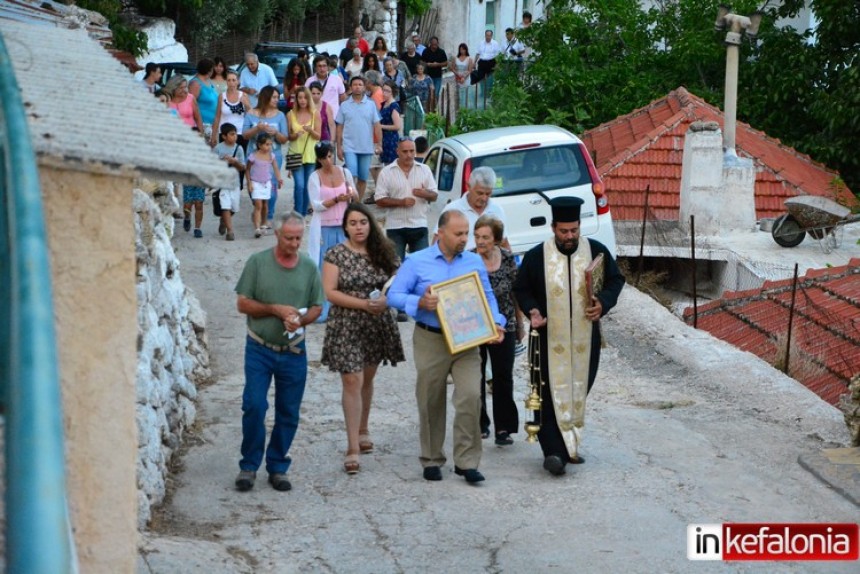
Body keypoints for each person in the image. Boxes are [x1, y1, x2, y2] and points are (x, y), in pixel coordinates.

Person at [388, 210, 506, 484]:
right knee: (431, 398)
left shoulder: (474, 261)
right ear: (440, 233)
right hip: (432, 338)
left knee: (469, 397)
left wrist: (496, 322)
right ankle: (431, 458)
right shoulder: (417, 261)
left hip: (468, 339)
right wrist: (418, 303)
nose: (465, 238)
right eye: (459, 234)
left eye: (467, 233)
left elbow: (487, 297)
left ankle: (466, 462)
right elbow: (394, 294)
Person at [513, 197, 625, 476]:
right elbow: (521, 288)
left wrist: (603, 303)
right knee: (547, 394)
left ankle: (569, 444)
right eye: (563, 231)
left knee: (577, 389)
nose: (569, 236)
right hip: (546, 339)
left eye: (574, 230)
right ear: (553, 228)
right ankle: (554, 452)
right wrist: (533, 311)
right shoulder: (536, 256)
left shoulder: (595, 252)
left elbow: (615, 280)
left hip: (585, 340)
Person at [234, 211, 324, 492]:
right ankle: (249, 465)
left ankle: (277, 466)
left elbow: (317, 307)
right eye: (289, 238)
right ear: (276, 234)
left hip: (293, 350)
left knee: (289, 411)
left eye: (298, 238)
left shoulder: (309, 267)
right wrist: (275, 310)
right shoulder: (258, 263)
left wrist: (301, 319)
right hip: (259, 347)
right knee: (254, 405)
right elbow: (243, 303)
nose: (295, 243)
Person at [321, 203, 404, 474]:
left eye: (363, 222)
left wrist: (385, 300)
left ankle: (364, 427)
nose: (359, 227)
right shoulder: (335, 255)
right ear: (345, 226)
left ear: (371, 224)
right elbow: (330, 293)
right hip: (347, 324)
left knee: (367, 378)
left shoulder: (385, 252)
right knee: (351, 379)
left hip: (376, 324)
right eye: (353, 223)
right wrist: (362, 305)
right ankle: (352, 446)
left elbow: (399, 281)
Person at [472, 215, 521, 444]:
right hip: (475, 325)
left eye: (485, 237)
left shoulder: (509, 259)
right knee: (476, 374)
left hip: (505, 323)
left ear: (497, 239)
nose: (480, 242)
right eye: (477, 236)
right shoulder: (468, 259)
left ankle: (504, 428)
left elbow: (515, 292)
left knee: (503, 375)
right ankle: (480, 423)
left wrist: (520, 324)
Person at [375, 137, 437, 264]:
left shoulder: (424, 169)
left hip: (419, 225)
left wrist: (424, 193)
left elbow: (434, 195)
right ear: (397, 151)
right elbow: (379, 199)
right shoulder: (386, 172)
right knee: (395, 267)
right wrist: (401, 202)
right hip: (395, 226)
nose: (409, 155)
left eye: (411, 151)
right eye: (405, 151)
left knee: (421, 266)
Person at [242, 85, 289, 230]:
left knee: (272, 187)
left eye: (277, 97)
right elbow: (244, 135)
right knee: (254, 187)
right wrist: (257, 128)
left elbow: (284, 138)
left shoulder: (280, 115)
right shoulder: (251, 113)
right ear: (266, 97)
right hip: (253, 156)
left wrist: (275, 132)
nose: (277, 100)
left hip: (273, 156)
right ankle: (258, 206)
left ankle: (268, 216)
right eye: (274, 97)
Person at [165, 75, 206, 236]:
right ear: (174, 88)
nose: (184, 90)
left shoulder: (190, 99)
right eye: (181, 87)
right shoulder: (166, 101)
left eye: (185, 87)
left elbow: (198, 117)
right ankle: (176, 204)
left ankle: (190, 214)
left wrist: (201, 136)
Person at [335, 75, 382, 200]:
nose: (357, 87)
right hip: (349, 147)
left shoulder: (371, 105)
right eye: (355, 85)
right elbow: (339, 127)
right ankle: (349, 200)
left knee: (363, 177)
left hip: (366, 147)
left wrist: (379, 144)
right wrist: (339, 147)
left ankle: (357, 202)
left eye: (360, 85)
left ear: (364, 87)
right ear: (350, 87)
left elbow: (377, 125)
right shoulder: (344, 105)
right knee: (351, 175)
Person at [438, 166, 507, 250]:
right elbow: (437, 242)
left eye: (488, 194)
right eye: (480, 193)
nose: (484, 198)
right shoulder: (452, 210)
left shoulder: (497, 210)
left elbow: (503, 242)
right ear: (468, 187)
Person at [286, 86, 321, 216]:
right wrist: (295, 135)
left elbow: (319, 136)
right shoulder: (290, 115)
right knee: (299, 185)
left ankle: (303, 213)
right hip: (294, 153)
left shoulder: (315, 114)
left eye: (305, 97)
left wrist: (311, 131)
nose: (302, 100)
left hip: (310, 154)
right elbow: (288, 136)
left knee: (307, 186)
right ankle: (298, 212)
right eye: (299, 97)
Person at [246, 132, 284, 239]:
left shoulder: (271, 156)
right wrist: (249, 183)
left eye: (270, 144)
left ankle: (263, 223)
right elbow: (247, 170)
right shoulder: (253, 156)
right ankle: (257, 228)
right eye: (267, 144)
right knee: (258, 205)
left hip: (267, 183)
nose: (269, 147)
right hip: (256, 183)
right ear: (259, 145)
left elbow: (276, 168)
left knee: (265, 205)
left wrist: (279, 178)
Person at [213, 122, 246, 241]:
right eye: (232, 134)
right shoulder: (218, 148)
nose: (235, 136)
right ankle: (230, 231)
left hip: (235, 183)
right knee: (225, 205)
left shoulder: (239, 148)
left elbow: (243, 167)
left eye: (235, 134)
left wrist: (235, 162)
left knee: (233, 207)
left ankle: (224, 220)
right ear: (224, 136)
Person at [210, 70, 250, 148]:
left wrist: (247, 104)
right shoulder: (222, 96)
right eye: (229, 80)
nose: (231, 83)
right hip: (225, 133)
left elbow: (251, 115)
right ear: (226, 82)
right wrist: (213, 135)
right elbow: (217, 117)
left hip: (240, 132)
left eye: (233, 80)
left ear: (238, 81)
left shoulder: (244, 95)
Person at [304, 55, 346, 122]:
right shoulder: (309, 81)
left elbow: (343, 98)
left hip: (333, 117)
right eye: (319, 66)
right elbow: (305, 98)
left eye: (324, 66)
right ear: (315, 67)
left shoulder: (337, 79)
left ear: (328, 67)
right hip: (314, 119)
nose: (322, 69)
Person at [189, 58, 219, 141]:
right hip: (204, 125)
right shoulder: (195, 84)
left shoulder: (209, 81)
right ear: (209, 70)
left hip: (213, 124)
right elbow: (191, 104)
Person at [379, 81, 402, 166]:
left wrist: (381, 126)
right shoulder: (384, 104)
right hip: (383, 138)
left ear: (392, 92)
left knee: (391, 164)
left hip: (391, 138)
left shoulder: (394, 106)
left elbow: (397, 126)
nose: (384, 93)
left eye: (387, 91)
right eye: (383, 90)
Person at [421, 37, 448, 105]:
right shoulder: (426, 51)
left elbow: (446, 63)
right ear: (430, 44)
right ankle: (428, 108)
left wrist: (437, 64)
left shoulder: (441, 52)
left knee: (436, 93)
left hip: (437, 76)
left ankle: (435, 107)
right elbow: (421, 62)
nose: (434, 46)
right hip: (427, 76)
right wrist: (427, 64)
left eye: (436, 44)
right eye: (433, 44)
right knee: (428, 93)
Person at [309, 81, 335, 146]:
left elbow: (331, 125)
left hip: (324, 140)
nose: (316, 96)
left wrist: (332, 141)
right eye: (313, 93)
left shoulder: (327, 107)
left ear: (322, 93)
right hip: (309, 140)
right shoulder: (305, 106)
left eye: (318, 93)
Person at [450, 43, 473, 108]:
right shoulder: (455, 58)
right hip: (458, 78)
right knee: (458, 94)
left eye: (463, 49)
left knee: (466, 94)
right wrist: (457, 74)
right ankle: (458, 108)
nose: (462, 51)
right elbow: (452, 68)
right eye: (460, 49)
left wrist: (464, 77)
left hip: (466, 78)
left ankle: (466, 108)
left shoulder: (469, 59)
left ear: (466, 50)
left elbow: (470, 70)